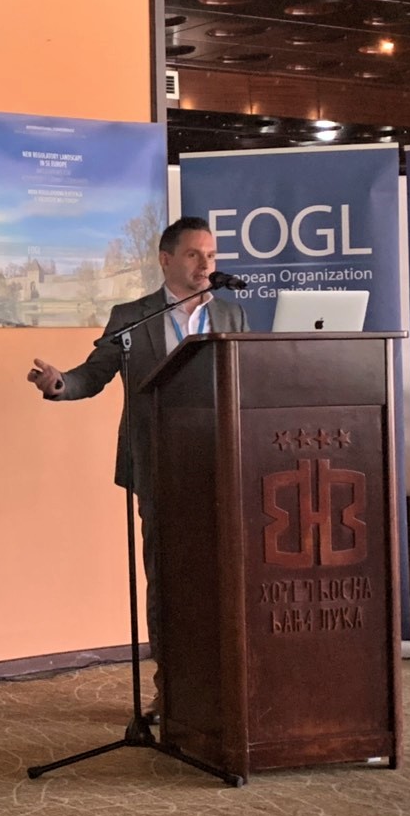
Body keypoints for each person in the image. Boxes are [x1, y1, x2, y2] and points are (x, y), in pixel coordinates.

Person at [26, 215, 249, 718]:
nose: (205, 264)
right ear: (166, 259)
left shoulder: (231, 315)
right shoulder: (133, 317)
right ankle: (170, 688)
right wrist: (59, 383)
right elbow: (93, 375)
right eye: (193, 254)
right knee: (167, 580)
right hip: (161, 466)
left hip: (224, 465)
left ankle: (225, 686)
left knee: (225, 580)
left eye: (211, 255)